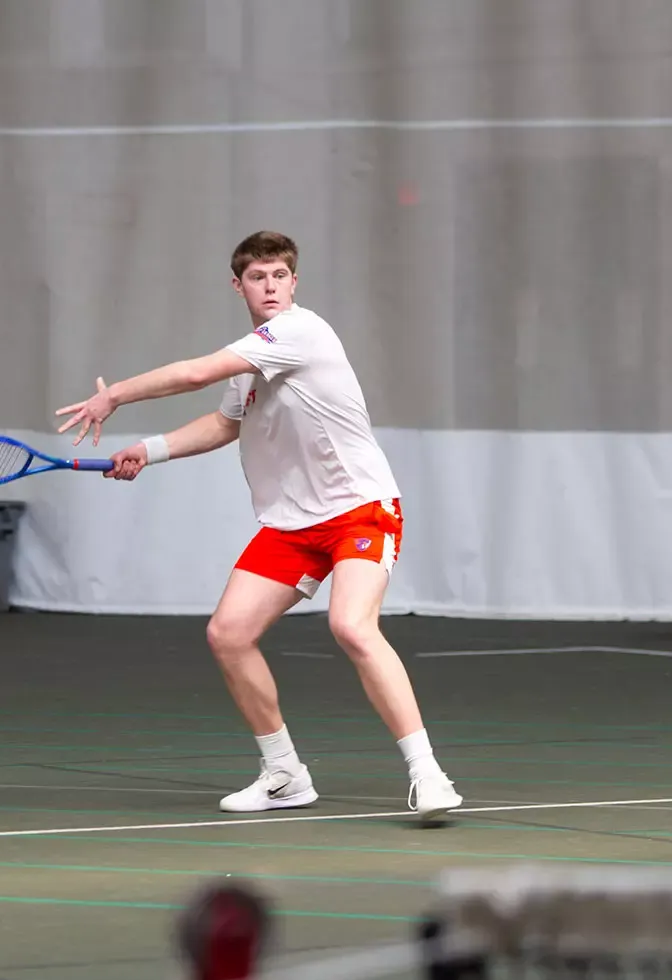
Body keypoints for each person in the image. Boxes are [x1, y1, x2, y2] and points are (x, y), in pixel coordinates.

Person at [53, 230, 463, 820]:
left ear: (294, 282)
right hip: (293, 524)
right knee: (229, 633)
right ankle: (284, 774)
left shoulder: (299, 332)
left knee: (352, 626)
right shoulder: (250, 363)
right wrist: (148, 449)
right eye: (256, 278)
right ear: (238, 284)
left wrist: (114, 395)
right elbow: (225, 425)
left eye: (278, 277)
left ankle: (428, 773)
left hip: (359, 509)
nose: (269, 287)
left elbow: (195, 373)